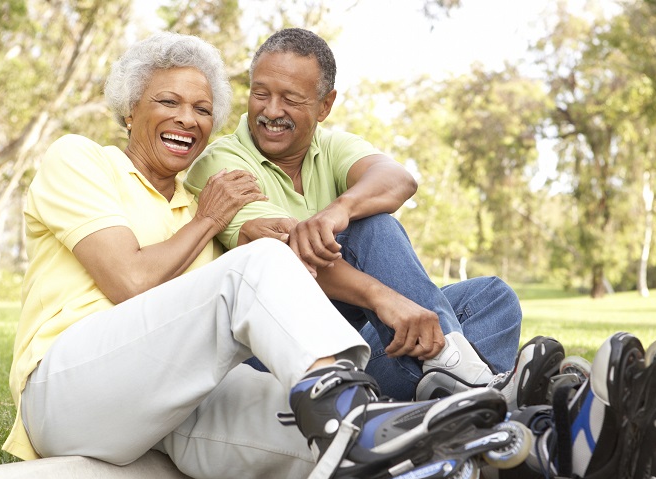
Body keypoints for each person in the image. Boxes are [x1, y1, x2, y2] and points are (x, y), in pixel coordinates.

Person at [5, 31, 656, 479]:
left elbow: (382, 192)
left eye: (201, 107)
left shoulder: (193, 202)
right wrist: (211, 218)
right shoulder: (83, 162)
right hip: (68, 391)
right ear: (129, 107)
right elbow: (128, 280)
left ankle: (556, 460)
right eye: (167, 102)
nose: (188, 118)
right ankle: (452, 388)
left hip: (169, 413)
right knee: (265, 271)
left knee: (390, 439)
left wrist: (207, 216)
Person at [185, 28, 561, 406]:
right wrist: (383, 298)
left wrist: (337, 211)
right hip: (273, 356)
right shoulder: (222, 164)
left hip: (349, 352)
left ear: (324, 105)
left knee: (492, 298)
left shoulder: (329, 147)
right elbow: (282, 258)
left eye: (290, 98)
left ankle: (451, 404)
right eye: (260, 93)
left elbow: (398, 179)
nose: (270, 111)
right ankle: (476, 387)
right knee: (371, 229)